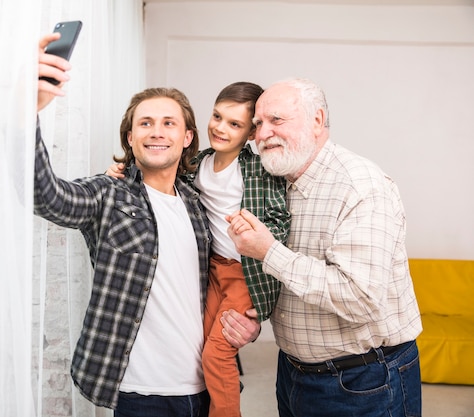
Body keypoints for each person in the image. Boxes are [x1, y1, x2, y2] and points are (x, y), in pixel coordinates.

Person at [35, 32, 260, 416]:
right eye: (146, 123)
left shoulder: (196, 202)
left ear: (187, 137)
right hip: (141, 395)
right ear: (131, 136)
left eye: (169, 123)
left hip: (205, 386)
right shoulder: (109, 194)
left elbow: (218, 278)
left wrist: (248, 323)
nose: (157, 131)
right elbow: (48, 197)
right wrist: (29, 114)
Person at [224, 77, 423, 417]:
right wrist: (257, 316)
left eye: (276, 120)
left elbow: (360, 298)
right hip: (292, 372)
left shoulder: (360, 185)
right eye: (257, 124)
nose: (261, 134)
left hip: (364, 380)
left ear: (317, 121)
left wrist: (269, 251)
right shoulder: (275, 183)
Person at [108, 81, 291, 417]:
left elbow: (281, 217)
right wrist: (121, 172)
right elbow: (157, 174)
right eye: (218, 116)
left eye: (234, 124)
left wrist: (258, 233)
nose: (220, 128)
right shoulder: (200, 164)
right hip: (212, 269)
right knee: (201, 345)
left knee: (217, 353)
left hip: (244, 272)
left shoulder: (256, 169)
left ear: (251, 133)